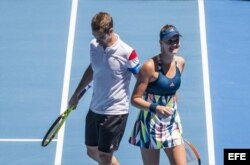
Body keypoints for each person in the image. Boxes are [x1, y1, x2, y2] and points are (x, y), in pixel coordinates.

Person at [68, 12, 141, 165]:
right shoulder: (94, 45)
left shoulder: (128, 52)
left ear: (110, 31)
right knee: (91, 150)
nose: (98, 40)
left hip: (115, 112)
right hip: (95, 108)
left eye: (101, 37)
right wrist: (76, 93)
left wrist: (149, 103)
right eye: (95, 37)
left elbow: (141, 80)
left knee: (104, 157)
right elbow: (93, 68)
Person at [128, 24, 187, 165]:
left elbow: (172, 91)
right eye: (169, 41)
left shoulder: (181, 63)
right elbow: (135, 99)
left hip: (171, 122)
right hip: (149, 123)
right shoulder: (149, 67)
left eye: (176, 40)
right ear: (161, 43)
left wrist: (173, 112)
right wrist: (156, 108)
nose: (174, 44)